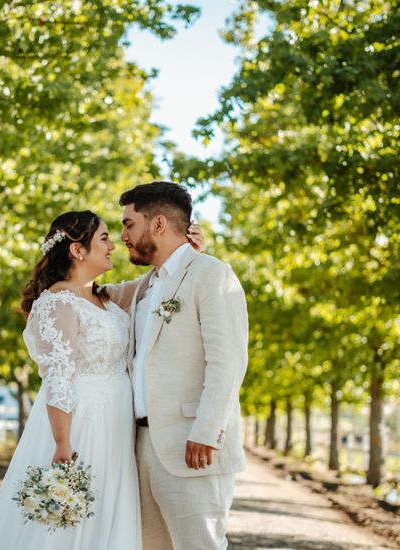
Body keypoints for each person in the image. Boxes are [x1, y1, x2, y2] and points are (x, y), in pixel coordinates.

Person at [0, 210, 202, 549]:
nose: (114, 245)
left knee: (108, 516)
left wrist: (186, 254)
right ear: (77, 250)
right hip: (83, 427)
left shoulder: (107, 298)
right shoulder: (57, 304)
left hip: (117, 428)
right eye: (104, 238)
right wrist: (62, 443)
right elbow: (58, 379)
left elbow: (155, 285)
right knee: (74, 522)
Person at [105, 181, 249, 550]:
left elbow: (228, 360)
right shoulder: (144, 286)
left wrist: (207, 430)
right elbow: (93, 295)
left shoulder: (212, 274)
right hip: (140, 447)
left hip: (192, 444)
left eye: (128, 224)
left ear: (157, 224)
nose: (122, 235)